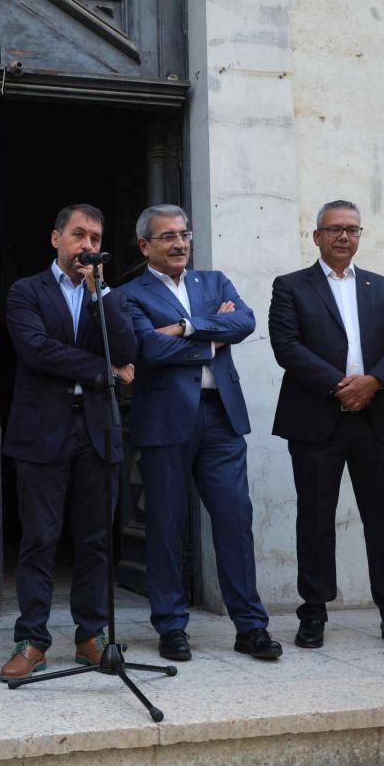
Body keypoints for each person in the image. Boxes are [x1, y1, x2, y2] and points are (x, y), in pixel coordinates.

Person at [118, 204, 282, 662]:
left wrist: (187, 328)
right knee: (166, 525)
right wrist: (213, 334)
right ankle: (171, 626)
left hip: (220, 419)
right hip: (166, 421)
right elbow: (148, 347)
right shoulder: (129, 294)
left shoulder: (214, 283)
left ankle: (250, 626)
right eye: (167, 236)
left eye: (183, 234)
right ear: (144, 245)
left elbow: (245, 322)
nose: (179, 243)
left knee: (235, 521)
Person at [268, 200, 384, 651]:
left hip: (374, 418)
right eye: (334, 229)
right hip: (316, 419)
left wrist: (373, 382)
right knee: (314, 519)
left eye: (352, 229)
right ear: (316, 236)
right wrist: (340, 386)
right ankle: (313, 614)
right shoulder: (291, 286)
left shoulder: (383, 287)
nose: (343, 237)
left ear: (360, 236)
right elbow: (286, 345)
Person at [0, 204, 138, 681]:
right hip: (42, 429)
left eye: (96, 238)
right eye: (78, 234)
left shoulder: (108, 296)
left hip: (98, 430)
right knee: (38, 539)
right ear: (55, 238)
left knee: (97, 541)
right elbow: (36, 349)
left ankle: (90, 636)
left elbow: (127, 349)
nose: (88, 245)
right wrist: (104, 373)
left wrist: (102, 296)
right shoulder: (26, 291)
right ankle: (32, 639)